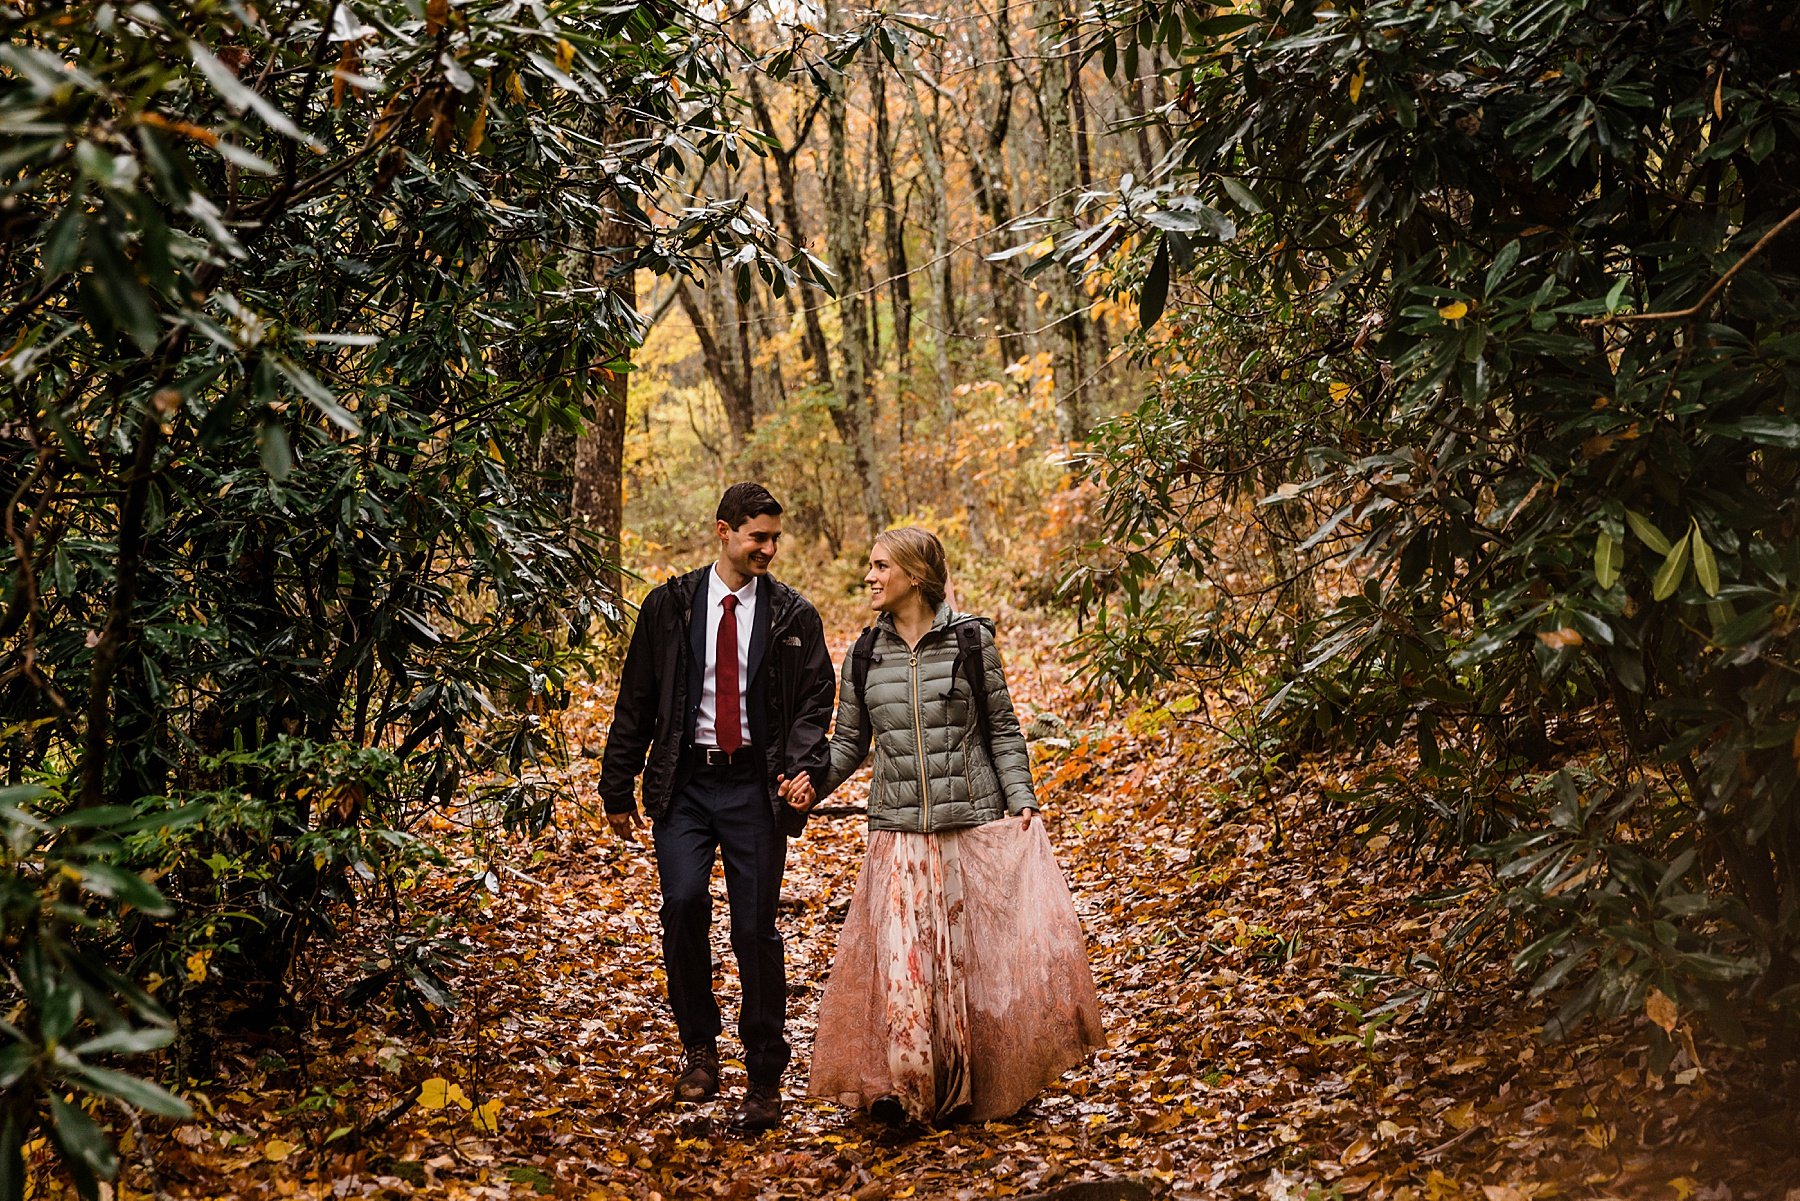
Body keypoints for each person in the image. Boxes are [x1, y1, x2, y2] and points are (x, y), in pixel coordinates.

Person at [786, 526, 1104, 1124]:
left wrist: (1022, 800)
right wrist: (811, 785)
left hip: (972, 825)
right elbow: (851, 743)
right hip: (898, 832)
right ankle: (910, 1091)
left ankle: (981, 1087)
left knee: (972, 969)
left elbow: (1004, 729)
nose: (870, 577)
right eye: (869, 566)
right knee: (908, 969)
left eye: (881, 566)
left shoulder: (970, 640)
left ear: (914, 574)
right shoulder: (864, 653)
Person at [597, 483, 836, 1131]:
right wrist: (617, 784)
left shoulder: (793, 615)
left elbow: (816, 702)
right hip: (685, 785)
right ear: (723, 531)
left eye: (774, 538)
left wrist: (804, 766)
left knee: (755, 929)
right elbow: (637, 698)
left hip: (754, 789)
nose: (768, 548)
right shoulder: (670, 606)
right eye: (757, 536)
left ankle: (764, 1074)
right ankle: (699, 1050)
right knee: (682, 905)